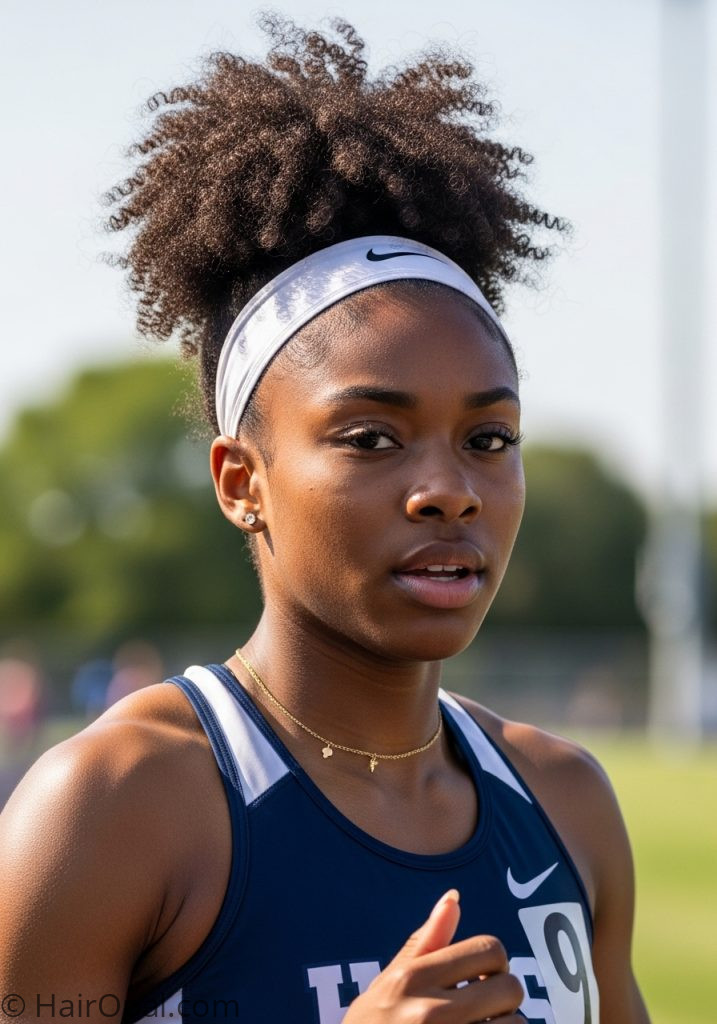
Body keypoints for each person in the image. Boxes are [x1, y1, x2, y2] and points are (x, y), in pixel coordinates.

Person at [0, 16, 650, 1024]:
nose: (451, 489)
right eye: (370, 438)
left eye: (488, 438)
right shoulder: (110, 806)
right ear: (239, 479)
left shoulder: (565, 804)